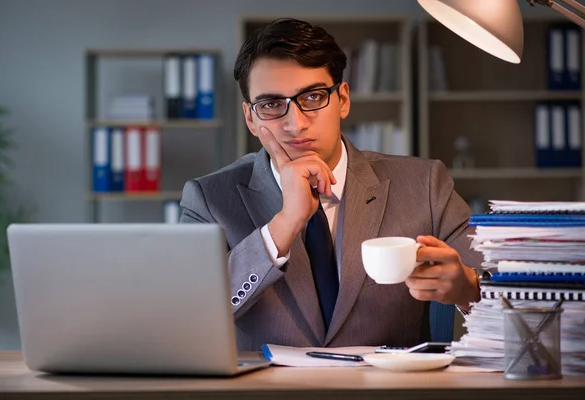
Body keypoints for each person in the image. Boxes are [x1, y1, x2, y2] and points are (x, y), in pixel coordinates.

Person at [180, 17, 483, 350]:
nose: (294, 124)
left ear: (343, 99)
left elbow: (515, 296)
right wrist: (283, 225)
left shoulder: (424, 185)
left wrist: (468, 287)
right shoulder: (208, 199)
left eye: (312, 97)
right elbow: (184, 316)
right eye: (271, 105)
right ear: (250, 118)